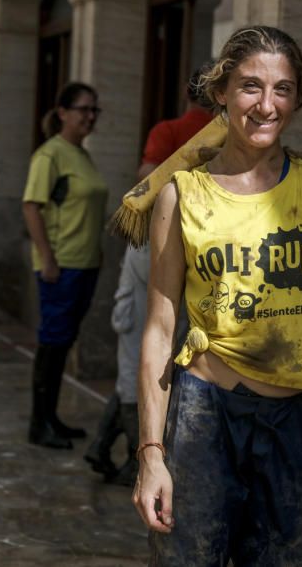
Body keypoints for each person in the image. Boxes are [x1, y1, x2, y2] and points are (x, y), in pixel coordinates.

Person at [132, 26, 302, 565]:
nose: (266, 104)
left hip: (301, 426)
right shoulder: (181, 194)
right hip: (204, 417)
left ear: (297, 99)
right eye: (251, 86)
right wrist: (151, 455)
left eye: (282, 89)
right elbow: (161, 330)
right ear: (222, 92)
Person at [85, 66, 213, 485]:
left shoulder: (173, 129)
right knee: (163, 350)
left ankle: (127, 457)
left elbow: (148, 178)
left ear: (185, 91)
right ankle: (108, 447)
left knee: (138, 352)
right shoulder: (219, 134)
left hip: (155, 246)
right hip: (199, 250)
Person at [22, 82, 108, 450]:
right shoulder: (50, 155)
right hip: (63, 265)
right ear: (63, 113)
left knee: (64, 342)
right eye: (83, 109)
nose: (90, 117)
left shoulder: (81, 154)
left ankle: (51, 417)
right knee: (53, 343)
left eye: (94, 111)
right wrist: (48, 258)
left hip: (85, 263)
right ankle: (38, 423)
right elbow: (31, 206)